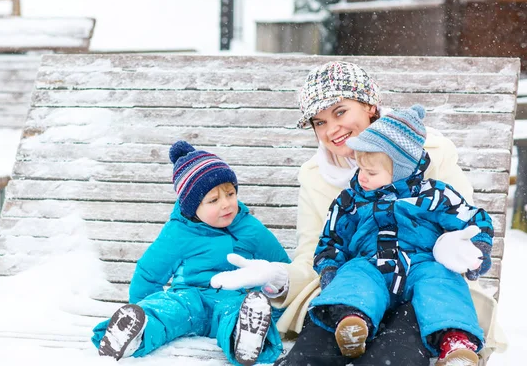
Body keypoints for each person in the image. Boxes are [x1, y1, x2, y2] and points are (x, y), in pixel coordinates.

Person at [210, 61, 506, 365]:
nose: (332, 129)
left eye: (340, 112)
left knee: (394, 353)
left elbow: (462, 220)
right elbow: (316, 253)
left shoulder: (425, 152)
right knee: (313, 350)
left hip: (422, 287)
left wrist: (459, 247)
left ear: (370, 106)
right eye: (319, 122)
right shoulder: (317, 179)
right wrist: (279, 276)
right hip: (355, 288)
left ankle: (450, 344)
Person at [310, 104, 492, 365]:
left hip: (421, 264)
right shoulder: (350, 200)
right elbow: (331, 238)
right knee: (353, 275)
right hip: (371, 262)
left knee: (443, 282)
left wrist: (478, 248)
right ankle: (352, 322)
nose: (361, 177)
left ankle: (455, 342)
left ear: (401, 170)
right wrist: (329, 269)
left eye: (371, 172)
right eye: (359, 169)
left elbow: (473, 218)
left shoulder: (434, 195)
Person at [91, 140, 290, 365]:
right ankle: (135, 332)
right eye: (214, 200)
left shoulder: (251, 229)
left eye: (230, 194)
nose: (226, 204)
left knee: (236, 312)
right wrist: (143, 304)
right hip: (189, 298)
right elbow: (149, 272)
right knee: (167, 311)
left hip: (235, 298)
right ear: (192, 207)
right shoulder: (178, 233)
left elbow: (282, 268)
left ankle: (245, 338)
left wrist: (275, 302)